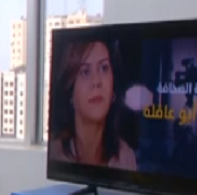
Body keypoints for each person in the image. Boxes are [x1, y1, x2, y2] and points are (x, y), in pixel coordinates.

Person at [48, 40, 137, 170]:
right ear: (70, 91)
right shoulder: (55, 154)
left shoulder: (125, 157)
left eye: (104, 68)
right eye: (85, 72)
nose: (97, 81)